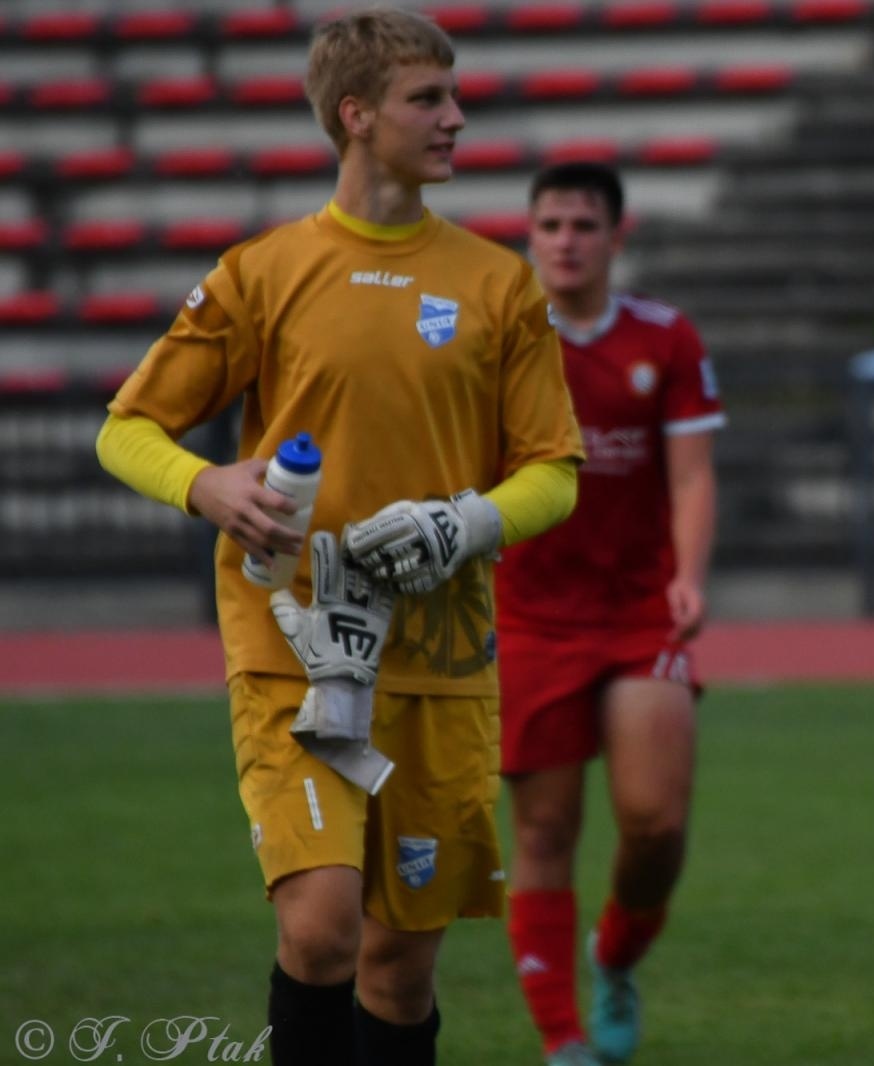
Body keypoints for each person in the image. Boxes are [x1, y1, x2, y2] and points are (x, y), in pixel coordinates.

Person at [94, 10, 584, 1065]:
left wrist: (470, 519)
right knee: (320, 932)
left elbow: (554, 470)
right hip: (295, 644)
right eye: (428, 100)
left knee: (399, 970)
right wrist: (206, 484)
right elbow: (126, 429)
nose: (455, 118)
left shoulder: (500, 285)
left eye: (452, 97)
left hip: (442, 658)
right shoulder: (262, 272)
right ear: (356, 116)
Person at [495, 162, 723, 1066]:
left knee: (655, 824)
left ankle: (615, 957)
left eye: (583, 225)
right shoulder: (503, 339)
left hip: (638, 612)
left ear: (615, 237)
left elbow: (694, 475)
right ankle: (562, 1039)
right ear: (529, 234)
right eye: (549, 224)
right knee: (546, 830)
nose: (564, 240)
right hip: (529, 616)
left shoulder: (666, 338)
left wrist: (690, 576)